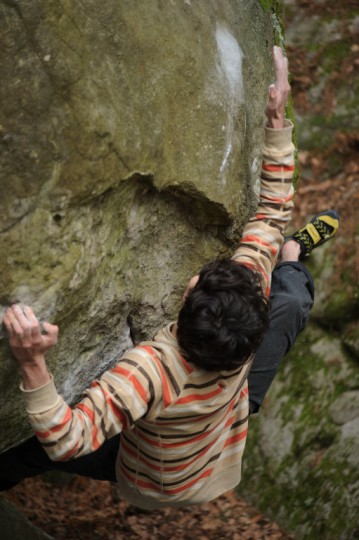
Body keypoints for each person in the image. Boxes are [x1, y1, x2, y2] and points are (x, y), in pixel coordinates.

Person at [0, 47, 339, 508]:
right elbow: (273, 210)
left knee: (20, 455)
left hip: (157, 482)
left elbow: (67, 439)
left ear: (188, 293)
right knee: (293, 296)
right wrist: (276, 117)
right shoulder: (251, 296)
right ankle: (294, 257)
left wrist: (34, 362)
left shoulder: (153, 371)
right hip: (222, 433)